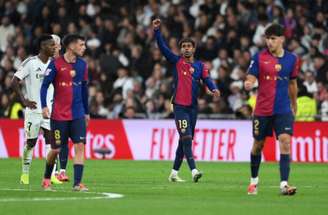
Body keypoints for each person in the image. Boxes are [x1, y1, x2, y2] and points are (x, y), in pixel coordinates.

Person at [152, 19, 220, 183]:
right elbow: (163, 48)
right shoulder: (177, 62)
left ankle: (174, 173)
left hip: (193, 109)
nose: (186, 48)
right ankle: (194, 170)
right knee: (186, 138)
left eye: (189, 46)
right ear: (181, 50)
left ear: (194, 49)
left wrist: (214, 88)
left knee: (184, 141)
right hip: (180, 107)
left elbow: (208, 79)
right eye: (183, 46)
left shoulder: (200, 66)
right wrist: (157, 31)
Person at [244, 23, 299, 195]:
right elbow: (251, 76)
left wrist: (294, 103)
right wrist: (249, 82)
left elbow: (292, 83)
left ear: (282, 39)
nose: (269, 42)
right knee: (258, 145)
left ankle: (284, 184)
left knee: (285, 141)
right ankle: (253, 181)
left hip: (283, 110)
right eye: (267, 38)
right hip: (262, 110)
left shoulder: (292, 59)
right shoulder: (258, 57)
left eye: (273, 39)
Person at [40, 34, 89, 191]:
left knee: (80, 146)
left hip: (78, 114)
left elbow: (84, 89)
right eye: (81, 44)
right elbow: (44, 86)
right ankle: (47, 179)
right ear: (71, 46)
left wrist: (86, 112)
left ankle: (77, 183)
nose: (84, 47)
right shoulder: (55, 64)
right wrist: (44, 106)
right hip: (59, 116)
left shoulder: (83, 65)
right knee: (56, 149)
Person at [11, 35, 60, 185]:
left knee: (52, 143)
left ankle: (51, 175)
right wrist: (24, 100)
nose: (54, 48)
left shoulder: (55, 64)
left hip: (49, 111)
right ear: (43, 46)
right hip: (33, 111)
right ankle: (25, 173)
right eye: (51, 45)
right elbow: (14, 81)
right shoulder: (30, 63)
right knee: (31, 143)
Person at [50, 34, 70, 182]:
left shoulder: (65, 63)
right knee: (52, 143)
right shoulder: (41, 62)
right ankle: (49, 174)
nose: (53, 46)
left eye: (55, 44)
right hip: (43, 108)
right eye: (51, 44)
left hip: (61, 108)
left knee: (62, 142)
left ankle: (61, 172)